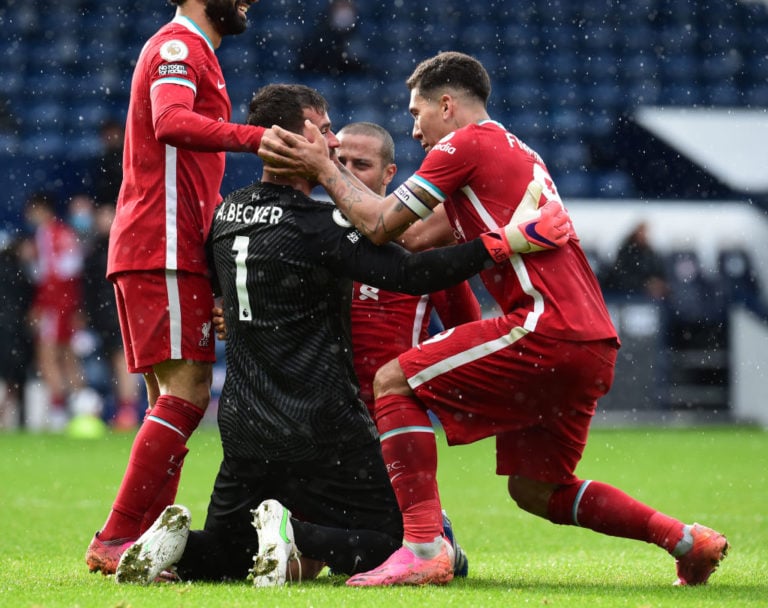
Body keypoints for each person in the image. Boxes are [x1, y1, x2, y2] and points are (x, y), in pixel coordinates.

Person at [257, 51, 729, 587]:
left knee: (395, 381)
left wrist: (322, 167)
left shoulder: (464, 143)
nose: (414, 130)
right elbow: (411, 238)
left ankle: (422, 547)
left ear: (447, 104)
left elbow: (384, 225)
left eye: (417, 114)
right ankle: (685, 541)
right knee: (536, 489)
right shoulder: (513, 152)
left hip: (545, 326)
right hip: (592, 339)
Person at [113, 83, 569, 586]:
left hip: (244, 421)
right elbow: (415, 273)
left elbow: (235, 287)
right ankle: (296, 535)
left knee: (229, 551)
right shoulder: (321, 224)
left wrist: (234, 316)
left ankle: (172, 548)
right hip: (322, 422)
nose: (331, 144)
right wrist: (502, 242)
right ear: (289, 138)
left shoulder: (227, 214)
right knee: (401, 545)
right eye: (324, 130)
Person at [86, 0, 267, 575]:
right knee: (187, 394)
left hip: (158, 246)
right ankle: (116, 537)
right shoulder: (178, 46)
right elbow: (170, 121)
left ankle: (143, 544)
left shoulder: (195, 51)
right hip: (162, 246)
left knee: (168, 401)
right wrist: (260, 137)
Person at [338, 121, 481, 413]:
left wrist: (417, 369)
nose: (347, 172)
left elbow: (466, 327)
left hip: (395, 411)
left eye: (361, 164)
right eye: (339, 162)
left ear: (389, 173)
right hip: (325, 414)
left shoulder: (420, 245)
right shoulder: (311, 232)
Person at [24, 191, 85, 433]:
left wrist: (42, 305)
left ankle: (59, 412)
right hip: (66, 303)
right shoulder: (64, 234)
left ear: (41, 209)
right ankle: (83, 407)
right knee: (67, 357)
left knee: (47, 357)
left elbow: (54, 275)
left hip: (55, 304)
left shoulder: (48, 235)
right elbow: (73, 272)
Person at [0, 232, 35, 430]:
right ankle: (19, 419)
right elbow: (26, 300)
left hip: (7, 330)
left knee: (10, 379)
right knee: (16, 378)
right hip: (14, 332)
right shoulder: (19, 272)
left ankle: (8, 417)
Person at [601, 221, 668, 300]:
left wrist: (658, 283)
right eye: (642, 232)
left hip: (646, 293)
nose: (644, 235)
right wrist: (645, 285)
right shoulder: (626, 252)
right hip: (628, 293)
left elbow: (658, 271)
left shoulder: (650, 252)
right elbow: (622, 276)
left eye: (645, 233)